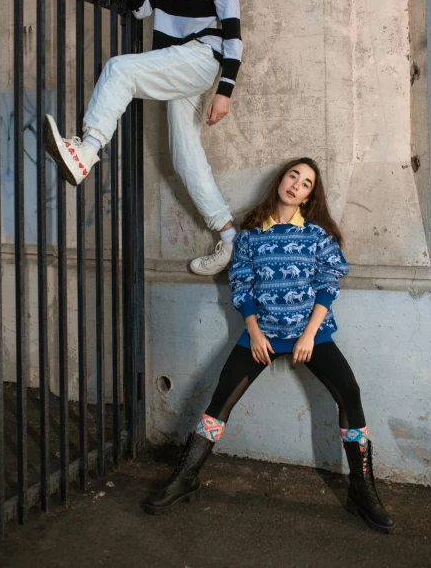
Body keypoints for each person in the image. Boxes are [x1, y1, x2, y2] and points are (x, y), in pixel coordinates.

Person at [143, 158, 395, 533]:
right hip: (261, 334)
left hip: (312, 333)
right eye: (293, 175)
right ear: (281, 179)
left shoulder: (315, 235)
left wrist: (309, 334)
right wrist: (255, 332)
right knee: (219, 402)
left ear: (309, 197)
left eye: (306, 183)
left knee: (350, 395)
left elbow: (329, 283)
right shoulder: (249, 234)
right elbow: (240, 286)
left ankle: (362, 491)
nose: (296, 184)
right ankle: (185, 478)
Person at [44, 0, 241, 275]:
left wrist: (225, 89)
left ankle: (87, 149)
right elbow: (142, 9)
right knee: (184, 154)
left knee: (120, 69)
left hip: (201, 57)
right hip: (173, 62)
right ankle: (229, 235)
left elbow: (233, 30)